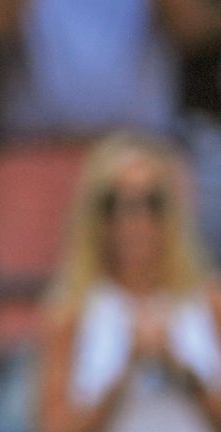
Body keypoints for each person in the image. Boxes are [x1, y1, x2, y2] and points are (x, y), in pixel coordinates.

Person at [38, 131, 221, 432]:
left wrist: (180, 366)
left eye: (151, 202)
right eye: (114, 203)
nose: (134, 220)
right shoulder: (70, 309)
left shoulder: (209, 300)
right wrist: (124, 371)